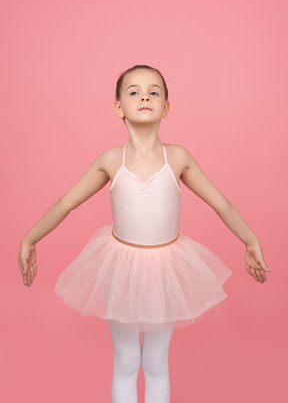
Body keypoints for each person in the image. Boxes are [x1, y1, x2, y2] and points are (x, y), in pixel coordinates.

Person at [18, 64, 271, 403]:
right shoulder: (110, 160)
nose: (145, 96)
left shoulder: (178, 157)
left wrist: (251, 239)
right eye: (134, 91)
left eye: (154, 91)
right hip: (120, 267)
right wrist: (29, 238)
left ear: (166, 107)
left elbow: (221, 204)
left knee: (154, 361)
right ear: (118, 107)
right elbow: (66, 204)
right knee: (125, 360)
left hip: (165, 268)